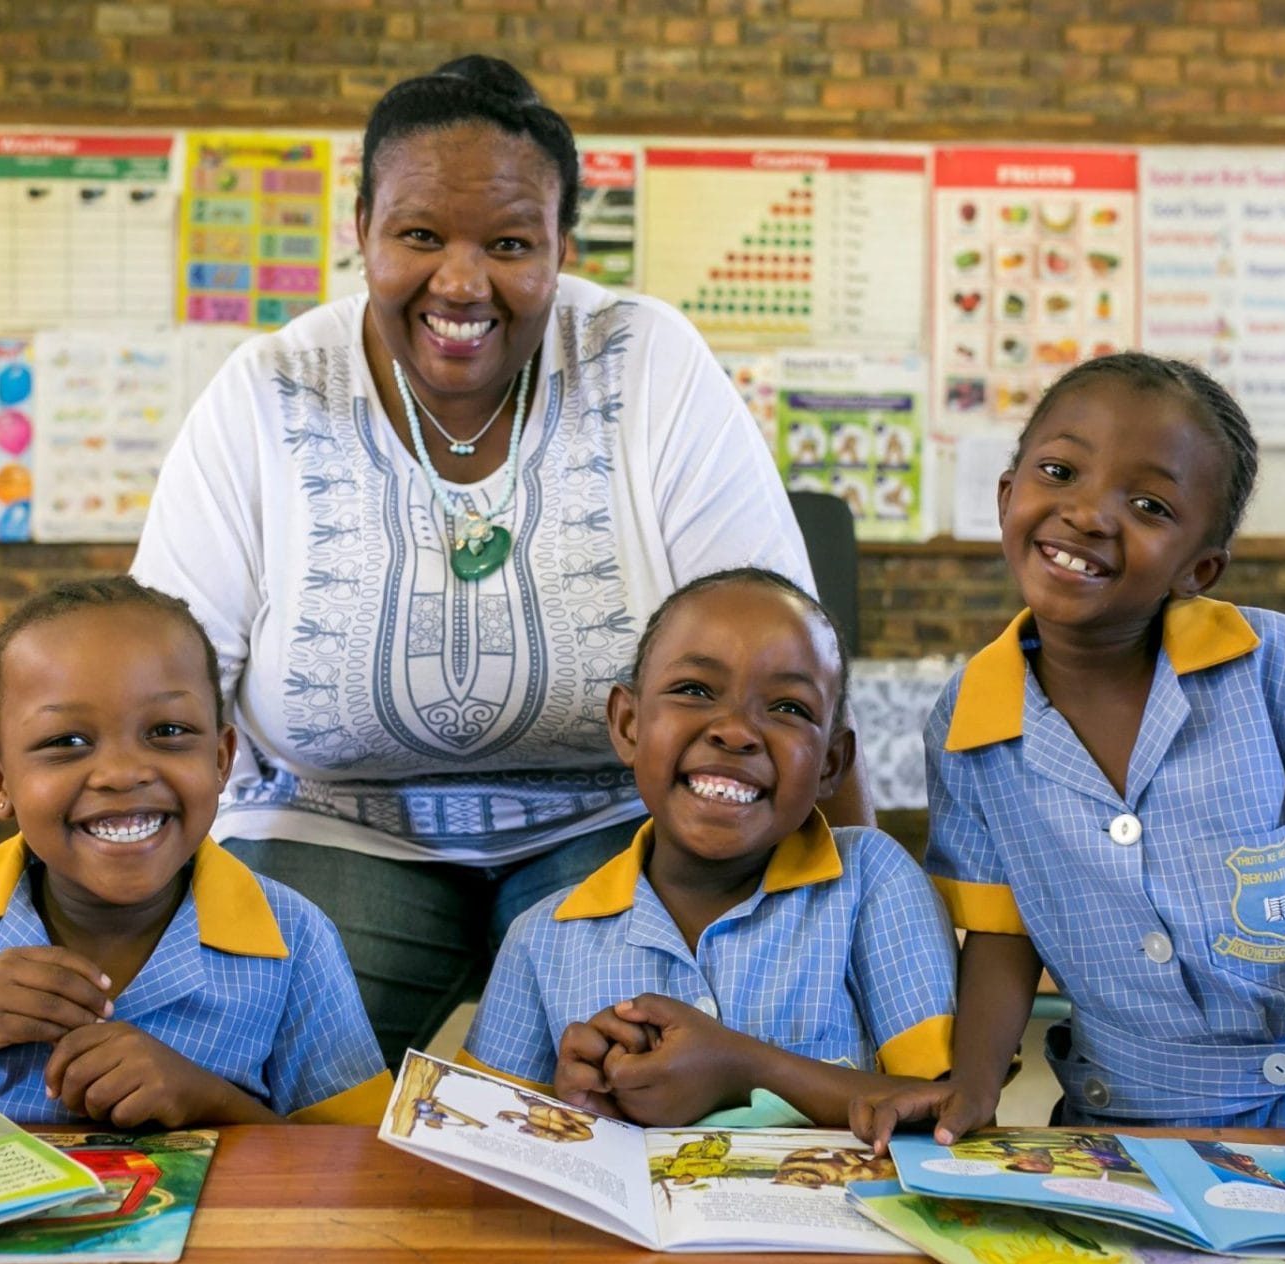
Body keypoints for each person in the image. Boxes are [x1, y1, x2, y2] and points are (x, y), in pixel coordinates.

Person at [130, 56, 866, 1063]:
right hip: (333, 827)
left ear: (563, 247)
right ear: (363, 232)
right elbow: (158, 682)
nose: (462, 282)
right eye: (420, 235)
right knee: (226, 1067)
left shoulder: (645, 360)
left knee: (664, 1078)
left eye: (511, 243)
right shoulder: (269, 390)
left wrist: (866, 925)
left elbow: (789, 657)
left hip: (624, 826)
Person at [848, 353, 1285, 1225]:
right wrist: (971, 1087)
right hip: (1117, 1129)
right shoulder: (969, 722)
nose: (1088, 512)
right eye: (1059, 471)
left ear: (1200, 567)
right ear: (1007, 495)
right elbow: (1002, 935)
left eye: (1149, 505)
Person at [0, 577, 389, 1127]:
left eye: (168, 732)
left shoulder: (294, 938)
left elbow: (351, 1168)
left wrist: (211, 1100)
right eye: (66, 741)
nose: (121, 773)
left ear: (221, 758)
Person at [461, 569, 955, 1127]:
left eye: (790, 708)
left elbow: (947, 1113)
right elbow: (486, 1143)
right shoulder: (542, 940)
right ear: (628, 724)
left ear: (832, 764)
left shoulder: (871, 882)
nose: (737, 731)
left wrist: (740, 1069)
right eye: (694, 690)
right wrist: (573, 1108)